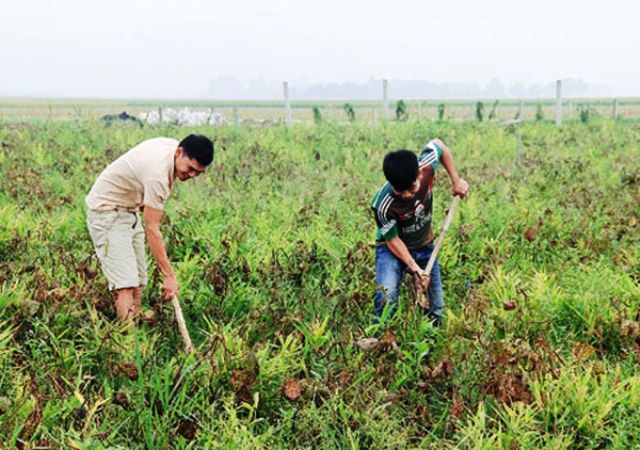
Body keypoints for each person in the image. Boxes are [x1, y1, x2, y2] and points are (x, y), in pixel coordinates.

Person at [85, 134, 214, 322]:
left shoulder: (172, 149)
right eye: (191, 169)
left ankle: (137, 330)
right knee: (125, 285)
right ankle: (129, 345)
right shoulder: (158, 175)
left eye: (198, 173)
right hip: (107, 212)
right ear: (179, 153)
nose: (192, 175)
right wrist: (169, 276)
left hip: (130, 209)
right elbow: (152, 230)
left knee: (138, 281)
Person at [370, 139, 468, 326]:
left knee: (436, 307)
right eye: (400, 191)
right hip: (392, 250)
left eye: (412, 187)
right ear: (391, 184)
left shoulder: (426, 166)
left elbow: (439, 145)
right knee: (387, 296)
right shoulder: (382, 206)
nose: (407, 195)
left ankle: (433, 346)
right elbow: (393, 240)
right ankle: (380, 341)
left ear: (418, 175)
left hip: (425, 245)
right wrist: (415, 269)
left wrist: (456, 181)